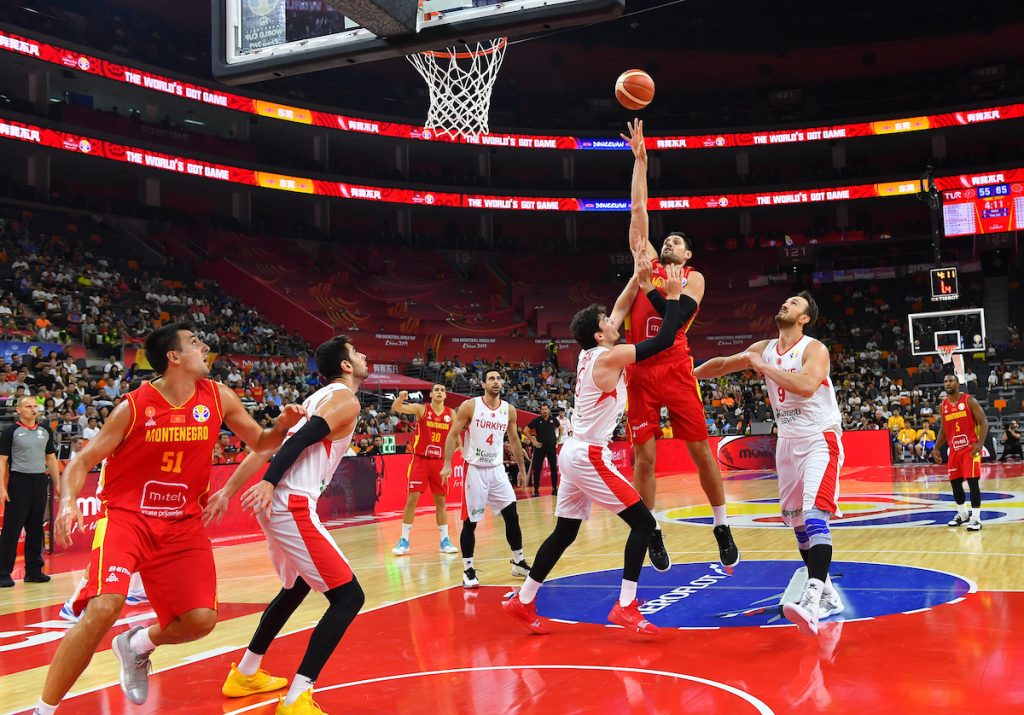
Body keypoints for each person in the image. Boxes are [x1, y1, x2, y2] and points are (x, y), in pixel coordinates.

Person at [35, 323, 304, 714]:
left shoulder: (219, 397)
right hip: (128, 518)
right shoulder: (134, 405)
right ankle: (44, 710)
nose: (205, 345)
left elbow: (261, 443)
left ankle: (136, 644)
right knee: (105, 605)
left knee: (199, 620)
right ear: (174, 357)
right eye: (195, 342)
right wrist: (67, 501)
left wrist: (280, 426)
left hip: (182, 524)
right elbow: (82, 460)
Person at [503, 263, 687, 637]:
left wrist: (637, 277)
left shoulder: (595, 350)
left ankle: (523, 600)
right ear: (599, 333)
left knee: (565, 532)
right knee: (644, 524)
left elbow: (619, 307)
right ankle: (626, 606)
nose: (614, 318)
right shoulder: (608, 357)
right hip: (587, 453)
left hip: (576, 451)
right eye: (607, 320)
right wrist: (670, 296)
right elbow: (664, 340)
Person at [204, 335, 368, 715]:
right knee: (349, 598)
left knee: (294, 587)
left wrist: (230, 489)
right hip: (289, 502)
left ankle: (245, 673)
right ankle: (297, 700)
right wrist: (268, 482)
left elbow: (267, 446)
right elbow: (302, 440)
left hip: (277, 501)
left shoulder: (314, 399)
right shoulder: (345, 399)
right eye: (356, 354)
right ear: (345, 366)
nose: (362, 356)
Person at [612, 118, 738, 572]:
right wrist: (640, 161)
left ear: (687, 256)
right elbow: (638, 210)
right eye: (668, 238)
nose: (670, 241)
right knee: (643, 459)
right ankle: (652, 530)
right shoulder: (644, 258)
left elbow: (673, 321)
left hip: (676, 365)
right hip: (641, 375)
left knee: (700, 449)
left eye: (678, 241)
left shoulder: (694, 279)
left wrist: (648, 288)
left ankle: (721, 525)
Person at [694, 292, 845, 636]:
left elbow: (807, 385)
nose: (785, 305)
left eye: (794, 304)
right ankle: (829, 594)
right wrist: (691, 374)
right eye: (786, 302)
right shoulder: (765, 348)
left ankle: (812, 598)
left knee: (814, 515)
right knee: (798, 525)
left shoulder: (813, 349)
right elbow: (723, 364)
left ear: (805, 318)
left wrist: (763, 366)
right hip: (787, 443)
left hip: (819, 439)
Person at [440, 369, 531, 589]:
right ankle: (468, 569)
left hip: (498, 470)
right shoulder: (470, 406)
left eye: (499, 378)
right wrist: (447, 464)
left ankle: (518, 562)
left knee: (512, 515)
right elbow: (453, 434)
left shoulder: (508, 410)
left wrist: (521, 468)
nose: (496, 381)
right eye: (491, 378)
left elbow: (514, 441)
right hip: (475, 470)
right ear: (483, 384)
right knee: (470, 522)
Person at [390, 385, 460, 556]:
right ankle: (404, 540)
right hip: (420, 460)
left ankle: (444, 540)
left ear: (445, 395)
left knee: (441, 502)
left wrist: (454, 456)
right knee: (412, 499)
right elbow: (396, 408)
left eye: (442, 390)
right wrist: (400, 397)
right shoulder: (422, 409)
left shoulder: (451, 414)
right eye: (436, 390)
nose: (439, 392)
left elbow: (457, 439)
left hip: (439, 463)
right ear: (431, 394)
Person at [0, 395, 62, 587]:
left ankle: (34, 571)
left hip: (40, 480)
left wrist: (58, 483)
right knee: (12, 528)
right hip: (19, 481)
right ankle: (3, 573)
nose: (33, 410)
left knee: (36, 527)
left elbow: (51, 459)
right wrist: (1, 487)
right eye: (28, 406)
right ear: (19, 410)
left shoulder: (45, 431)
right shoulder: (11, 432)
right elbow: (2, 461)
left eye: (35, 406)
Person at [932, 373, 989, 531]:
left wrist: (980, 443)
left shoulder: (969, 400)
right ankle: (963, 513)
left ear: (957, 383)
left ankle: (976, 518)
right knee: (955, 483)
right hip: (954, 450)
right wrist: (936, 447)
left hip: (969, 448)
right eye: (945, 381)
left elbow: (984, 421)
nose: (947, 384)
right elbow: (944, 429)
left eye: (951, 381)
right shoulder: (943, 405)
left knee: (972, 482)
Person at [523, 404, 563, 497]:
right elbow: (526, 430)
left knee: (553, 468)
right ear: (540, 411)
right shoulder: (537, 420)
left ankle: (554, 489)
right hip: (539, 447)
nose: (544, 411)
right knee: (537, 469)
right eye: (543, 409)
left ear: (548, 410)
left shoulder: (553, 420)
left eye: (546, 409)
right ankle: (536, 490)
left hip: (551, 447)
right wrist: (533, 441)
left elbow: (561, 429)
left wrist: (558, 440)